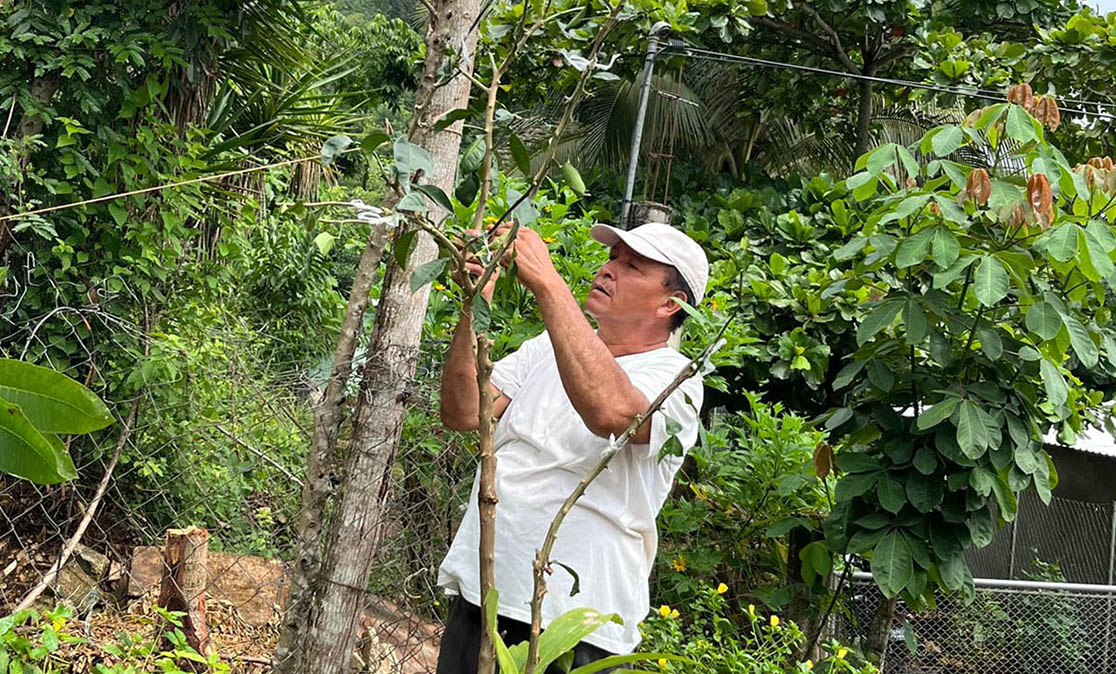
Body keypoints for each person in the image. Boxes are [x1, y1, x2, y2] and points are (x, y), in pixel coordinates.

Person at [435, 220, 709, 674]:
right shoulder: (546, 347)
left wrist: (548, 282)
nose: (608, 269)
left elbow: (613, 414)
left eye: (632, 266)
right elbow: (463, 411)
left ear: (670, 303)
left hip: (575, 623)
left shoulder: (678, 381)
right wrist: (475, 303)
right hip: (484, 594)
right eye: (613, 258)